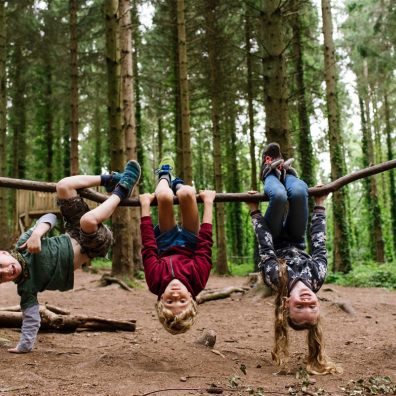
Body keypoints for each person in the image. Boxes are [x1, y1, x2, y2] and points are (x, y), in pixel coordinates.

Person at [0, 160, 141, 353]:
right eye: (1, 276)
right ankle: (122, 190)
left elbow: (49, 217)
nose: (6, 271)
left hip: (73, 231)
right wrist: (24, 346)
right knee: (88, 220)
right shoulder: (26, 287)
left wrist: (37, 234)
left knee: (63, 185)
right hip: (93, 244)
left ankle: (110, 180)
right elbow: (31, 318)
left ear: (4, 253)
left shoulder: (24, 244)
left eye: (1, 265)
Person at [248, 142, 341, 374]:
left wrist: (254, 212)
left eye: (301, 305)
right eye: (313, 305)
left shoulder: (276, 280)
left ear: (287, 304)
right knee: (299, 192)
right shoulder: (317, 278)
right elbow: (319, 245)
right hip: (297, 239)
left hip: (274, 236)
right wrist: (320, 206)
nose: (308, 299)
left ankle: (268, 172)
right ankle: (287, 173)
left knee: (278, 197)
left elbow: (265, 246)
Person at [139, 156, 215, 335]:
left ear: (160, 300)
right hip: (191, 243)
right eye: (182, 301)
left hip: (165, 243)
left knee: (164, 197)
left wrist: (145, 207)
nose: (175, 296)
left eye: (170, 302)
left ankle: (164, 175)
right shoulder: (198, 280)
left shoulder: (155, 282)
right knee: (187, 193)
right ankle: (178, 184)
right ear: (192, 298)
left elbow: (149, 247)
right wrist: (209, 202)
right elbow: (204, 245)